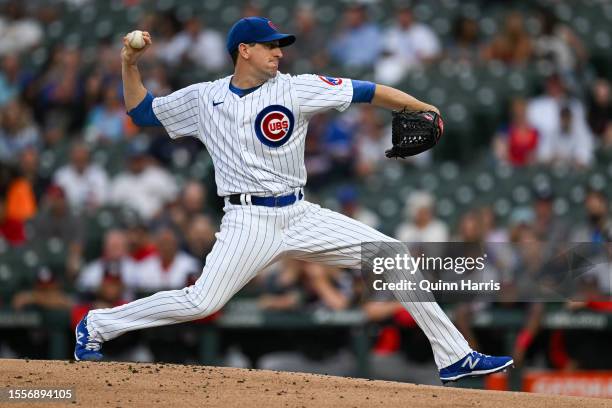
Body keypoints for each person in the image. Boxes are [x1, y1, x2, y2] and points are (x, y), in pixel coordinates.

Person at [74, 16, 512, 383]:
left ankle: (454, 356)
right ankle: (97, 325)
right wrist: (129, 64)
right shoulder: (204, 97)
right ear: (244, 50)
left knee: (391, 254)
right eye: (270, 46)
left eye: (280, 46)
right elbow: (142, 112)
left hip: (300, 213)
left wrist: (422, 106)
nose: (279, 52)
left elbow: (368, 91)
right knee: (202, 303)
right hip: (247, 221)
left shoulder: (296, 88)